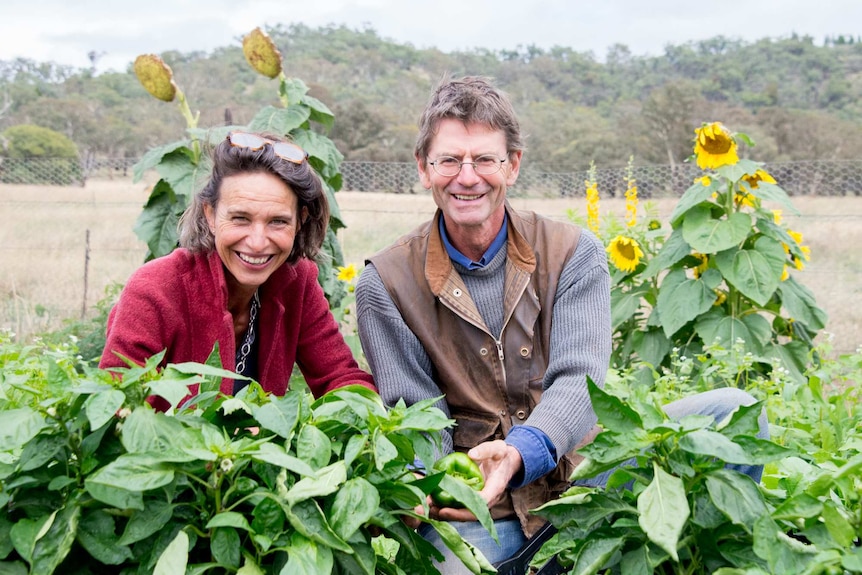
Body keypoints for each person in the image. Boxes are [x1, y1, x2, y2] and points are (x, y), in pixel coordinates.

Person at [355, 76, 766, 573]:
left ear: (513, 165)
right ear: (424, 169)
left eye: (485, 159)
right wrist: (433, 484)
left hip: (584, 479)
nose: (468, 177)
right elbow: (417, 414)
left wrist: (522, 453)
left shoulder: (573, 252)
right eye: (449, 161)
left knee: (735, 412)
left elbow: (580, 381)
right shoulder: (387, 280)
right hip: (480, 510)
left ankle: (678, 551)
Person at [101, 131, 375, 408]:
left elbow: (340, 378)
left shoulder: (296, 282)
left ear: (300, 221)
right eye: (240, 218)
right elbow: (119, 407)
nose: (257, 242)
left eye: (278, 221)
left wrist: (369, 415)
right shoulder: (155, 288)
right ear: (210, 215)